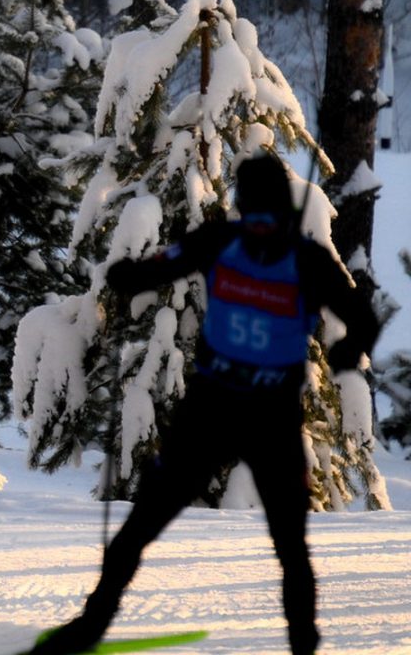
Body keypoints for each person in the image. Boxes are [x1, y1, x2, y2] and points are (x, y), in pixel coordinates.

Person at [30, 155, 381, 655]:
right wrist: (347, 349)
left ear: (247, 204)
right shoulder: (303, 258)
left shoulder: (225, 242)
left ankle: (90, 627)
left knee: (145, 526)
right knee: (287, 548)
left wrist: (126, 274)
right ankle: (303, 646)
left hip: (219, 411)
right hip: (258, 416)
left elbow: (155, 269)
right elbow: (363, 319)